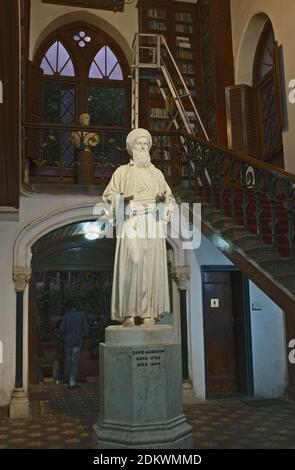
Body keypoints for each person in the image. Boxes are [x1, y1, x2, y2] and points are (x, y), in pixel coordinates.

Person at [102, 128, 174, 327]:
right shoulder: (122, 172)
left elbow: (169, 198)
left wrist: (163, 200)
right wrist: (122, 199)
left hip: (152, 220)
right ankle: (129, 313)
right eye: (138, 144)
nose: (142, 147)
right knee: (132, 261)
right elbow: (108, 196)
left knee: (151, 265)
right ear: (131, 148)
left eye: (145, 145)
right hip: (131, 218)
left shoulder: (157, 173)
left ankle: (149, 312)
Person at [59, 300, 88, 389]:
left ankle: (67, 379)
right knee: (74, 362)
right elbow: (86, 329)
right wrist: (82, 337)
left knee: (68, 361)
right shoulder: (81, 316)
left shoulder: (65, 317)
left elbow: (61, 330)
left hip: (67, 342)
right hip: (77, 342)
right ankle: (72, 382)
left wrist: (64, 338)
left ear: (68, 308)